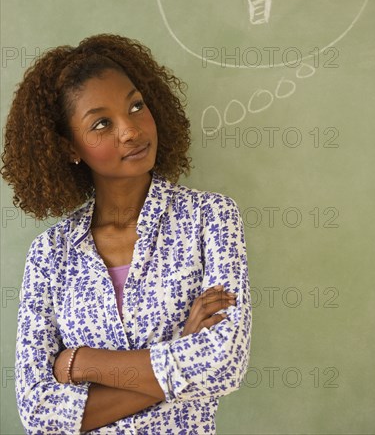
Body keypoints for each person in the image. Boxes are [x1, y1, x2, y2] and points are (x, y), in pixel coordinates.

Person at [0, 33, 252, 434]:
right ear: (69, 148)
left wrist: (81, 363)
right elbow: (39, 415)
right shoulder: (49, 254)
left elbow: (224, 365)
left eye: (136, 106)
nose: (131, 130)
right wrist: (178, 352)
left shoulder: (210, 218)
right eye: (102, 123)